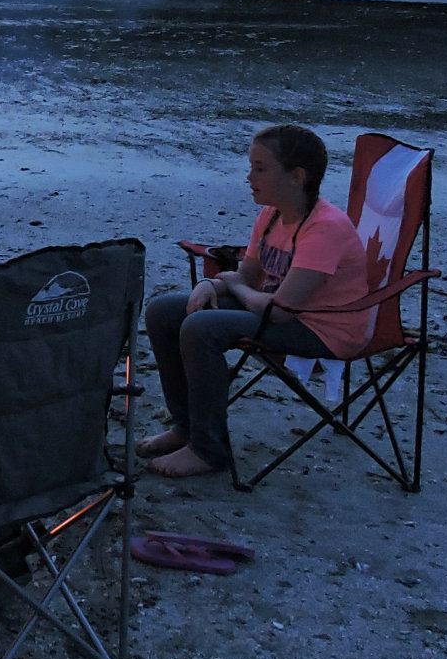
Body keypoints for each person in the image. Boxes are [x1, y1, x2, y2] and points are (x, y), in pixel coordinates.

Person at [141, 124, 370, 479]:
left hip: (323, 328)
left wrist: (237, 289)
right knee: (164, 311)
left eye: (260, 168)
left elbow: (278, 311)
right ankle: (185, 428)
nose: (249, 177)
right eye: (251, 166)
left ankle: (208, 450)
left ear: (296, 177)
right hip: (277, 310)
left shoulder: (324, 228)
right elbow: (248, 276)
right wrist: (212, 284)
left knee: (201, 329)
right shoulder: (271, 215)